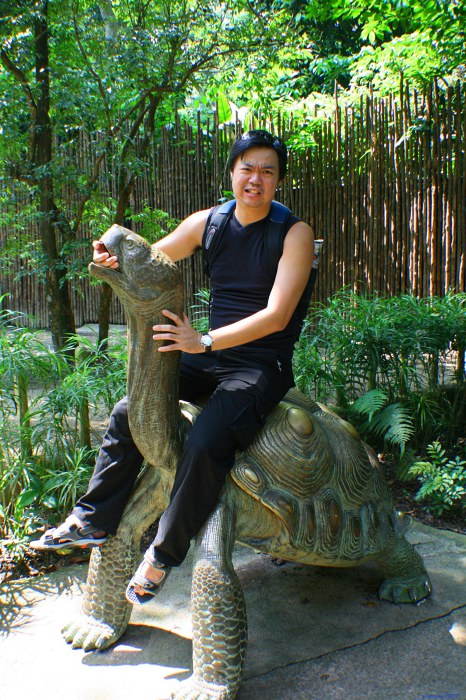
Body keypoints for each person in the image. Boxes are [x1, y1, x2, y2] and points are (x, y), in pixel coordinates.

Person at [31, 130, 314, 605]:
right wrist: (109, 254)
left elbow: (277, 315)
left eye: (267, 171)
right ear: (232, 172)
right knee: (129, 409)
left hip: (261, 364)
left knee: (205, 440)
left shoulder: (293, 234)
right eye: (247, 168)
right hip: (210, 354)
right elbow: (149, 257)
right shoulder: (211, 223)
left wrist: (202, 341)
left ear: (278, 180)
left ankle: (163, 554)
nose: (256, 179)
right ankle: (92, 518)